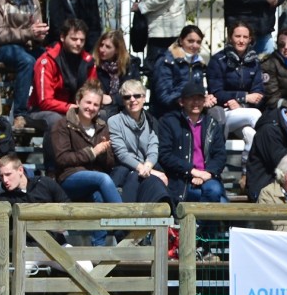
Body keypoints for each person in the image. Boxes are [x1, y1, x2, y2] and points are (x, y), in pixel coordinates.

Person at [50, 84, 123, 246]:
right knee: (103, 180)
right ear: (78, 101)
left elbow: (110, 164)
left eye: (96, 104)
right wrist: (92, 152)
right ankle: (124, 227)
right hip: (69, 178)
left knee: (98, 195)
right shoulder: (62, 125)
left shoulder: (102, 127)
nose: (91, 108)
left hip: (94, 180)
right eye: (88, 103)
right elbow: (62, 158)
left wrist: (105, 153)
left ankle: (99, 248)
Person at [206, 21, 264, 181]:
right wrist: (242, 97)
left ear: (250, 39)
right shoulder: (218, 60)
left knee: (251, 134)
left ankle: (246, 175)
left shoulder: (255, 62)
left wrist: (240, 101)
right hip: (222, 113)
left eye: (245, 37)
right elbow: (216, 91)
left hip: (243, 111)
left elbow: (258, 93)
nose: (241, 40)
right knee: (256, 116)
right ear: (230, 38)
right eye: (237, 36)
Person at [157, 79, 228, 207]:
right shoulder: (169, 122)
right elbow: (164, 155)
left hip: (207, 177)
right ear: (181, 101)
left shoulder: (212, 124)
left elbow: (220, 155)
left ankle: (197, 226)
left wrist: (207, 173)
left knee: (216, 194)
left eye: (199, 98)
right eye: (191, 98)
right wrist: (192, 171)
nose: (196, 102)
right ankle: (197, 227)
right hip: (180, 180)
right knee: (218, 201)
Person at [107, 79, 171, 204]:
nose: (132, 100)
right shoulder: (114, 121)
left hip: (147, 167)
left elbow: (153, 148)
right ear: (122, 100)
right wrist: (144, 169)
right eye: (127, 97)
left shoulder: (151, 120)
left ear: (144, 97)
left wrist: (147, 166)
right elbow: (122, 154)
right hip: (126, 168)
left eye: (137, 95)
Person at [29, 18, 98, 130]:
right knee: (58, 121)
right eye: (74, 39)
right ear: (62, 37)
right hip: (42, 111)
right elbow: (45, 102)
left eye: (82, 40)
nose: (78, 43)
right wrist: (71, 107)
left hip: (78, 109)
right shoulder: (47, 61)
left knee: (102, 116)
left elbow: (93, 93)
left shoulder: (88, 62)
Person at [150, 25, 212, 119]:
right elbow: (164, 96)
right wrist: (187, 97)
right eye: (190, 41)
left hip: (191, 110)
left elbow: (198, 90)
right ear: (181, 41)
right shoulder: (166, 61)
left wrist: (205, 99)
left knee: (217, 113)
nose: (195, 45)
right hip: (167, 113)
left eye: (198, 42)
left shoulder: (198, 63)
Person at [92, 30, 141, 119]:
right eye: (101, 45)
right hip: (103, 108)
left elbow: (135, 90)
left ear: (117, 50)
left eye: (108, 47)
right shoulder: (95, 65)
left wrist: (113, 99)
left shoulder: (130, 66)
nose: (102, 49)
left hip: (125, 106)